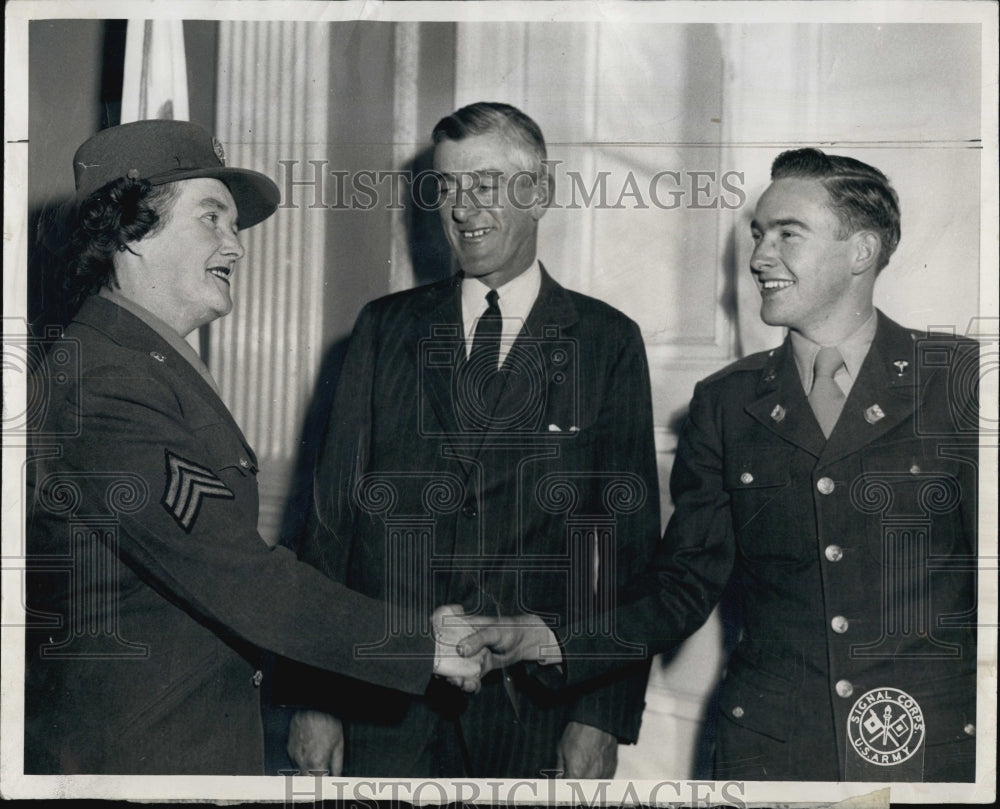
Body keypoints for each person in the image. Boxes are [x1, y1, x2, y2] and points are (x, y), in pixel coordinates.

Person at [461, 148, 979, 782]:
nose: (760, 256)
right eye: (760, 234)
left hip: (927, 749)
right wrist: (547, 638)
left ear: (861, 251)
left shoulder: (957, 381)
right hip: (774, 752)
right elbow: (681, 587)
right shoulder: (727, 402)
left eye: (789, 234)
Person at [23, 119, 481, 775]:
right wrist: (418, 642)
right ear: (130, 230)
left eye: (234, 226)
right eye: (213, 219)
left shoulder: (140, 362)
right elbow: (238, 573)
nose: (235, 247)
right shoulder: (103, 384)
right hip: (133, 760)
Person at [285, 102, 661, 779]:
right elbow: (328, 528)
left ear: (539, 192)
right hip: (383, 709)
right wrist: (316, 698)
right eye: (447, 186)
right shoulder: (381, 330)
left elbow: (623, 553)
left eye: (484, 184)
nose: (461, 207)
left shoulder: (606, 342)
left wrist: (600, 713)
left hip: (534, 714)